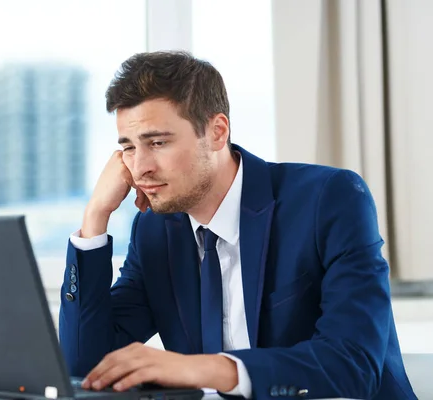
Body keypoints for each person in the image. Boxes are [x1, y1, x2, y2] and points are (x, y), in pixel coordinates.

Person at [58, 51, 416, 399]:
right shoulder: (155, 230)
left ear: (217, 132)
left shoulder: (327, 199)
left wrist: (204, 369)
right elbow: (84, 366)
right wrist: (94, 221)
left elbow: (353, 365)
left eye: (157, 142)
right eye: (129, 148)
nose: (140, 167)